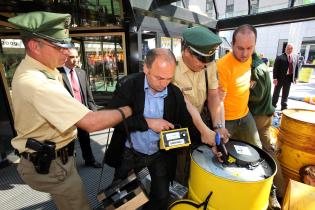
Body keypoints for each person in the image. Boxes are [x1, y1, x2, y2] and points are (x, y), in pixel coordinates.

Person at [8, 11, 132, 210]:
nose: (66, 53)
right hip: (52, 165)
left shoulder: (44, 71)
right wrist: (129, 109)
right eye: (58, 46)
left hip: (59, 158)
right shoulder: (37, 83)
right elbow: (91, 123)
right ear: (34, 46)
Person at [104, 48, 200, 210]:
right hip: (129, 153)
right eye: (159, 78)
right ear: (146, 69)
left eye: (169, 78)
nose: (164, 84)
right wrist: (147, 122)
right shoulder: (128, 86)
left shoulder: (174, 93)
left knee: (161, 197)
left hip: (160, 155)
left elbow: (188, 124)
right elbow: (110, 119)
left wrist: (207, 145)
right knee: (123, 201)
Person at [172, 26, 229, 185]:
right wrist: (204, 131)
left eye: (208, 59)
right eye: (201, 59)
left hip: (201, 119)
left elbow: (213, 96)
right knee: (180, 167)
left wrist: (218, 126)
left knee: (206, 161)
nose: (205, 64)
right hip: (180, 123)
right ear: (187, 52)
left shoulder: (209, 66)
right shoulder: (172, 68)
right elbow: (185, 103)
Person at [217, 24, 261, 148]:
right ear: (232, 44)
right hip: (227, 119)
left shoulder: (251, 58)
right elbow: (218, 101)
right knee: (223, 152)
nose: (245, 54)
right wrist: (220, 126)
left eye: (249, 48)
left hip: (245, 114)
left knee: (257, 148)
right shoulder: (222, 66)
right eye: (240, 48)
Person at [249, 52, 283, 210]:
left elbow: (257, 95)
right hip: (266, 114)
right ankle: (280, 190)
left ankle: (276, 190)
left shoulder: (255, 69)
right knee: (269, 150)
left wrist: (242, 90)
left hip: (259, 115)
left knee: (265, 152)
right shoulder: (260, 65)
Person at [58, 48, 101, 168]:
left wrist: (94, 113)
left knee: (85, 139)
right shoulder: (57, 74)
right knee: (69, 143)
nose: (75, 59)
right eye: (72, 57)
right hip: (68, 116)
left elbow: (88, 95)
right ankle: (69, 166)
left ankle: (90, 160)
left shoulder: (81, 73)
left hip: (83, 114)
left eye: (77, 56)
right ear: (65, 58)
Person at [272, 43, 299, 111]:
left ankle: (284, 107)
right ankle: (273, 105)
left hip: (288, 78)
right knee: (276, 93)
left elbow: (296, 67)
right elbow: (275, 69)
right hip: (279, 78)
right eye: (288, 48)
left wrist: (295, 77)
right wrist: (275, 78)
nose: (289, 50)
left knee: (286, 93)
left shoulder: (295, 57)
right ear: (285, 49)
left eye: (291, 49)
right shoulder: (280, 57)